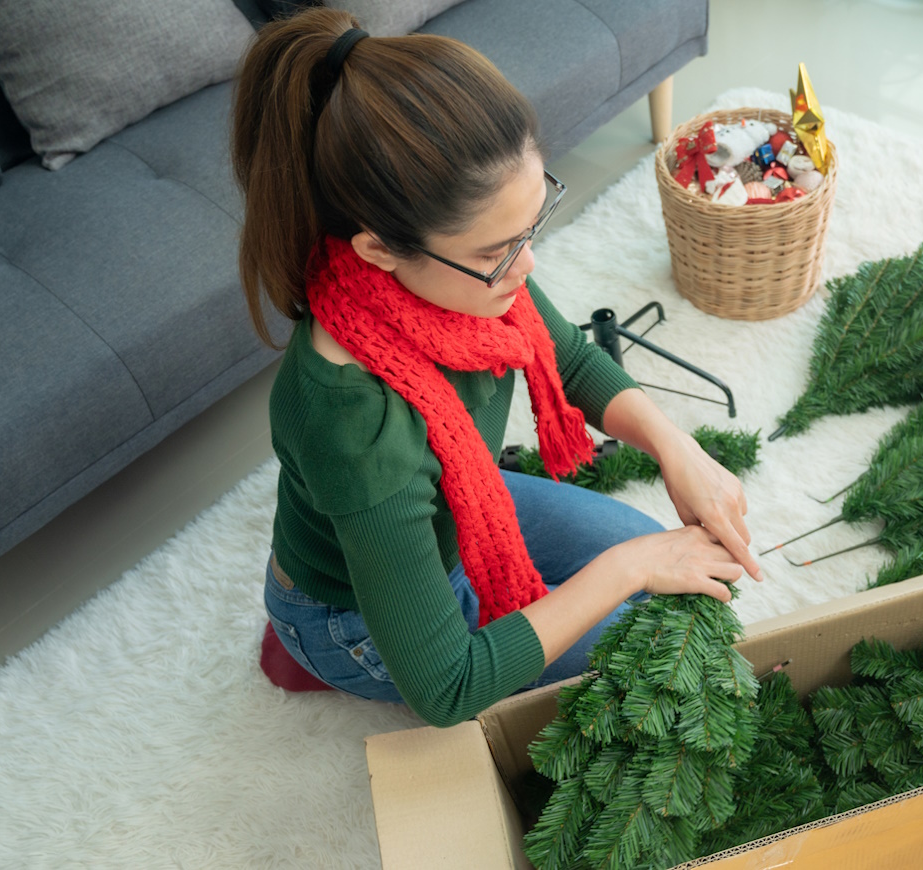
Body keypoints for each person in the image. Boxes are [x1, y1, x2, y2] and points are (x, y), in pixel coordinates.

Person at [230, 8, 764, 727]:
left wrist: (677, 447)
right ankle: (304, 651)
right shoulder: (353, 424)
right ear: (379, 249)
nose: (528, 264)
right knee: (653, 644)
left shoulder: (464, 273)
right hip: (346, 620)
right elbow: (448, 689)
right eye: (498, 251)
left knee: (669, 580)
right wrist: (628, 568)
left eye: (530, 226)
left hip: (461, 504)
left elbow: (566, 355)